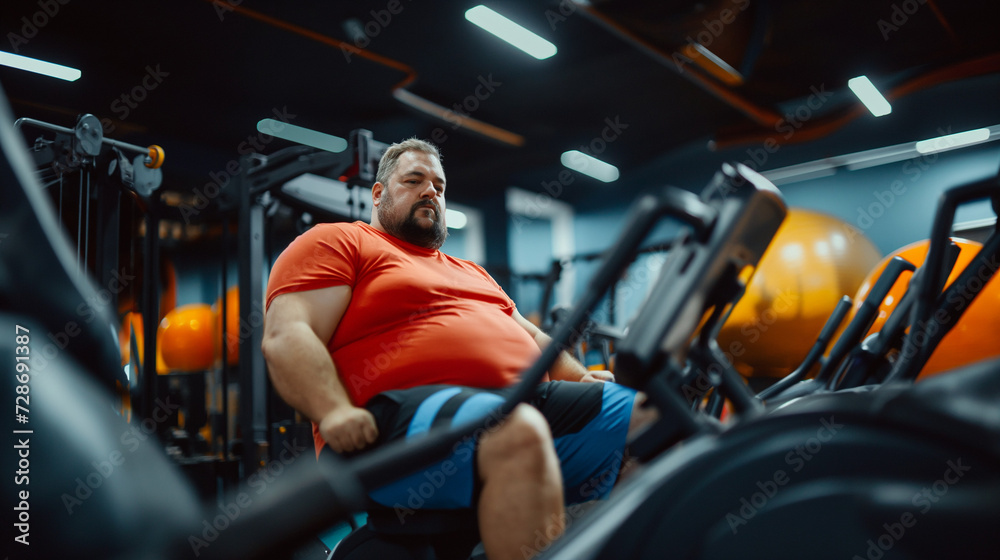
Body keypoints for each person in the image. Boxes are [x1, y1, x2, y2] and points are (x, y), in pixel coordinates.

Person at [262, 138, 654, 560]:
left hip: (518, 403)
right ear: (378, 194)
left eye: (439, 186)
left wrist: (580, 378)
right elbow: (288, 332)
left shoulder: (472, 272)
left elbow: (534, 338)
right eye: (414, 180)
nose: (431, 191)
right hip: (395, 421)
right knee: (514, 428)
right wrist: (332, 409)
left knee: (654, 416)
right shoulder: (341, 242)